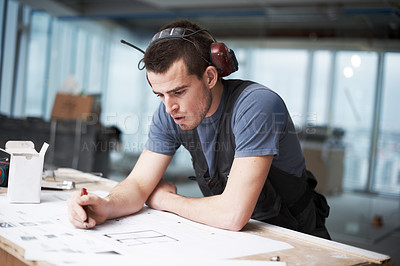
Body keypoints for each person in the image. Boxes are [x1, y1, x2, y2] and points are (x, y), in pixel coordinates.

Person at [67, 19, 331, 239]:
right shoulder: (171, 111)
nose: (169, 107)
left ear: (210, 76)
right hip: (234, 237)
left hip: (293, 238)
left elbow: (233, 214)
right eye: (159, 95)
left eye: (178, 92)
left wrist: (164, 200)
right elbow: (138, 183)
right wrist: (106, 205)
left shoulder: (256, 105)